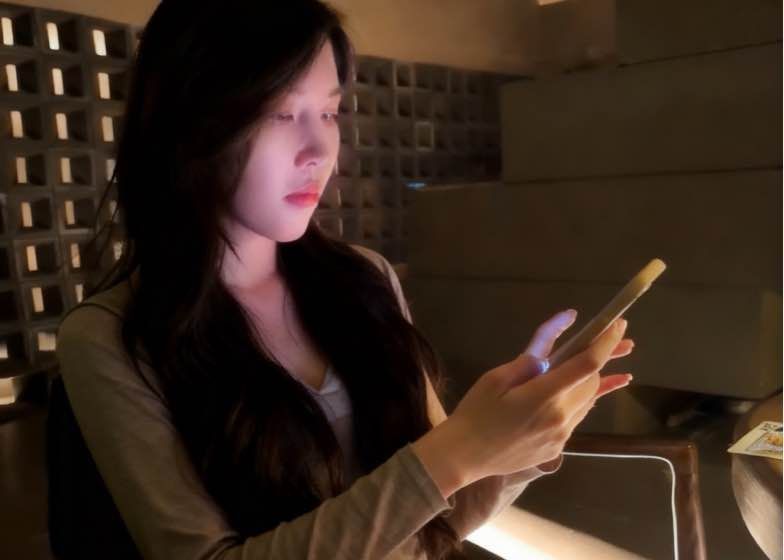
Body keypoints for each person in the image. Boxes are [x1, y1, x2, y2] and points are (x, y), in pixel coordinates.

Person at [53, 0, 635, 558]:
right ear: (190, 127)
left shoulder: (364, 279)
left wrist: (517, 438)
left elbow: (436, 526)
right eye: (281, 113)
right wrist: (457, 451)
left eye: (329, 113)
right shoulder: (110, 338)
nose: (320, 150)